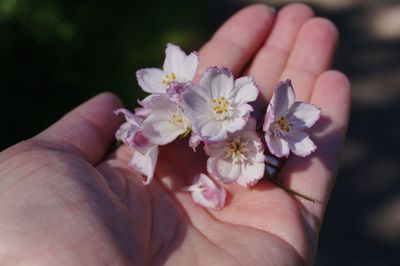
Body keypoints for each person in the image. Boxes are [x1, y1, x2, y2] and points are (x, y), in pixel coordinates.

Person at [0, 3, 350, 265]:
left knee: (243, 130)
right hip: (214, 135)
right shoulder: (197, 113)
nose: (173, 83)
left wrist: (246, 130)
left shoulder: (239, 121)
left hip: (233, 133)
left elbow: (230, 125)